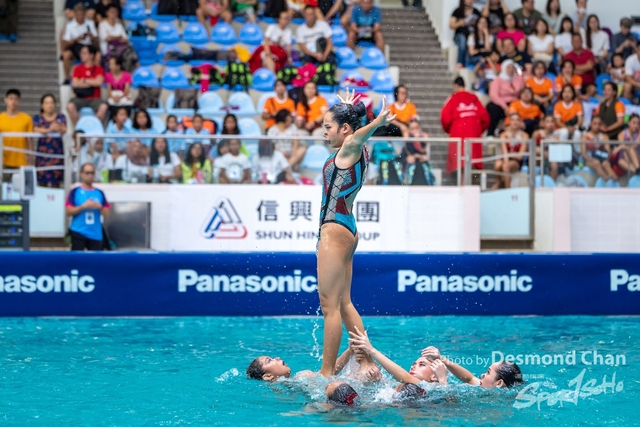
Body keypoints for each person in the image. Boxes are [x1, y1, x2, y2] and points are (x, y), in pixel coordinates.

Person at [316, 89, 395, 377]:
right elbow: (355, 134)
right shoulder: (352, 151)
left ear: (345, 129)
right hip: (347, 227)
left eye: (328, 126)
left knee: (330, 307)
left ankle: (326, 373)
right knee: (344, 302)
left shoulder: (351, 146)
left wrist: (376, 123)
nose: (324, 132)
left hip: (335, 229)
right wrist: (350, 109)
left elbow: (357, 136)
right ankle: (366, 363)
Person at [348, 326, 448, 388]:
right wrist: (376, 381)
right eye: (414, 364)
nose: (413, 366)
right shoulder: (400, 386)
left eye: (422, 364)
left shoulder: (431, 389)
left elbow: (405, 377)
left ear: (434, 376)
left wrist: (371, 350)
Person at [441, 77, 490, 178]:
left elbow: (445, 118)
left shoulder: (452, 98)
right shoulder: (474, 98)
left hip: (458, 131)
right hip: (473, 131)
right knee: (471, 158)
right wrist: (478, 130)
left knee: (461, 160)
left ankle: (464, 183)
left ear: (455, 86)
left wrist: (448, 129)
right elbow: (486, 118)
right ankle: (471, 182)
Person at [422, 346, 524, 389]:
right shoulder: (489, 388)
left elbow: (449, 403)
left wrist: (442, 379)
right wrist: (441, 358)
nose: (482, 375)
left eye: (488, 372)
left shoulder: (492, 400)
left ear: (499, 383)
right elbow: (469, 378)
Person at [65, 163, 110, 251]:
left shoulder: (99, 192)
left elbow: (107, 214)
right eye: (87, 173)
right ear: (81, 174)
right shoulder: (75, 191)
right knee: (77, 258)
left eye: (92, 173)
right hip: (78, 232)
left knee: (95, 259)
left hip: (95, 233)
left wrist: (99, 207)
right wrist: (83, 206)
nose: (90, 175)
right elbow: (68, 212)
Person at [67, 45, 108, 125]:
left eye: (84, 53)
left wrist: (84, 80)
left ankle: (93, 126)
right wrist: (92, 82)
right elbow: (75, 84)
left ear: (91, 55)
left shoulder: (99, 69)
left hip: (95, 98)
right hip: (80, 98)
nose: (81, 55)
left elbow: (99, 82)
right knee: (70, 106)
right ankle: (80, 127)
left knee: (104, 107)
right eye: (81, 53)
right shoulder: (77, 68)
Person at [33, 94, 67, 188]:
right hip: (42, 154)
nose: (49, 105)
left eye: (51, 103)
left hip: (56, 153)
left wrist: (59, 128)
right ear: (42, 105)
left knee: (56, 183)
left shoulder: (61, 117)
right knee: (42, 183)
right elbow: (35, 129)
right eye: (47, 103)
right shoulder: (38, 118)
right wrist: (49, 129)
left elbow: (64, 129)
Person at [61, 3, 99, 83]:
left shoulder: (90, 23)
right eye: (78, 15)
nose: (80, 16)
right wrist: (77, 39)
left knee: (98, 55)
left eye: (82, 14)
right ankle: (67, 78)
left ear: (85, 14)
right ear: (75, 14)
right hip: (75, 46)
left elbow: (96, 41)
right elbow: (66, 42)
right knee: (66, 55)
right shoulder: (70, 25)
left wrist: (92, 36)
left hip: (88, 45)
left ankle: (95, 77)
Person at [0, 89, 33, 179]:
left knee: (21, 186)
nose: (13, 102)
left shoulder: (26, 119)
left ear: (19, 101)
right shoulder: (1, 118)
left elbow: (29, 141)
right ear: (5, 100)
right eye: (11, 98)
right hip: (3, 161)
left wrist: (30, 161)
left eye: (15, 99)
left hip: (21, 162)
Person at [486, 60, 525, 136]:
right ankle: (490, 134)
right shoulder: (498, 80)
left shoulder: (518, 79)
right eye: (508, 67)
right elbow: (494, 95)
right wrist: (505, 107)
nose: (511, 69)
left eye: (512, 67)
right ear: (504, 68)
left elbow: (522, 92)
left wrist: (521, 78)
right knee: (493, 108)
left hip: (515, 102)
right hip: (501, 103)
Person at [494, 112, 529, 189]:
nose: (515, 122)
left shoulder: (524, 135)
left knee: (505, 166)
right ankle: (498, 181)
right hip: (506, 158)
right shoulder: (504, 135)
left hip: (516, 162)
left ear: (520, 122)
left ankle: (508, 189)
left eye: (517, 120)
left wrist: (509, 156)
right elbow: (504, 152)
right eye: (513, 120)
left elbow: (520, 156)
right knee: (497, 164)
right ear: (509, 122)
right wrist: (507, 158)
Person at [581, 116, 617, 184]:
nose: (597, 126)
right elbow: (583, 154)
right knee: (596, 162)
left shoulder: (605, 136)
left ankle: (615, 179)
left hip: (602, 159)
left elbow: (608, 152)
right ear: (591, 124)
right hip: (590, 160)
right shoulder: (585, 137)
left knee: (606, 163)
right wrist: (591, 159)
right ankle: (606, 178)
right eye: (595, 124)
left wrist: (606, 159)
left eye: (599, 124)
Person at [449, 0, 482, 68]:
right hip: (460, 36)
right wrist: (460, 23)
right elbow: (451, 25)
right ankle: (460, 63)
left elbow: (482, 22)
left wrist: (475, 23)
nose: (470, 1)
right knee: (462, 39)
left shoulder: (476, 12)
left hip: (472, 36)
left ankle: (473, 64)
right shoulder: (458, 11)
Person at [564, 33, 596, 98]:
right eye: (574, 41)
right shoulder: (567, 56)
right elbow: (567, 70)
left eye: (578, 40)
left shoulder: (589, 53)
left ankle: (583, 97)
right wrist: (585, 67)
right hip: (573, 82)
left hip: (587, 82)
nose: (577, 42)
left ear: (582, 41)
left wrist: (574, 68)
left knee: (592, 89)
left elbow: (590, 67)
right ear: (571, 42)